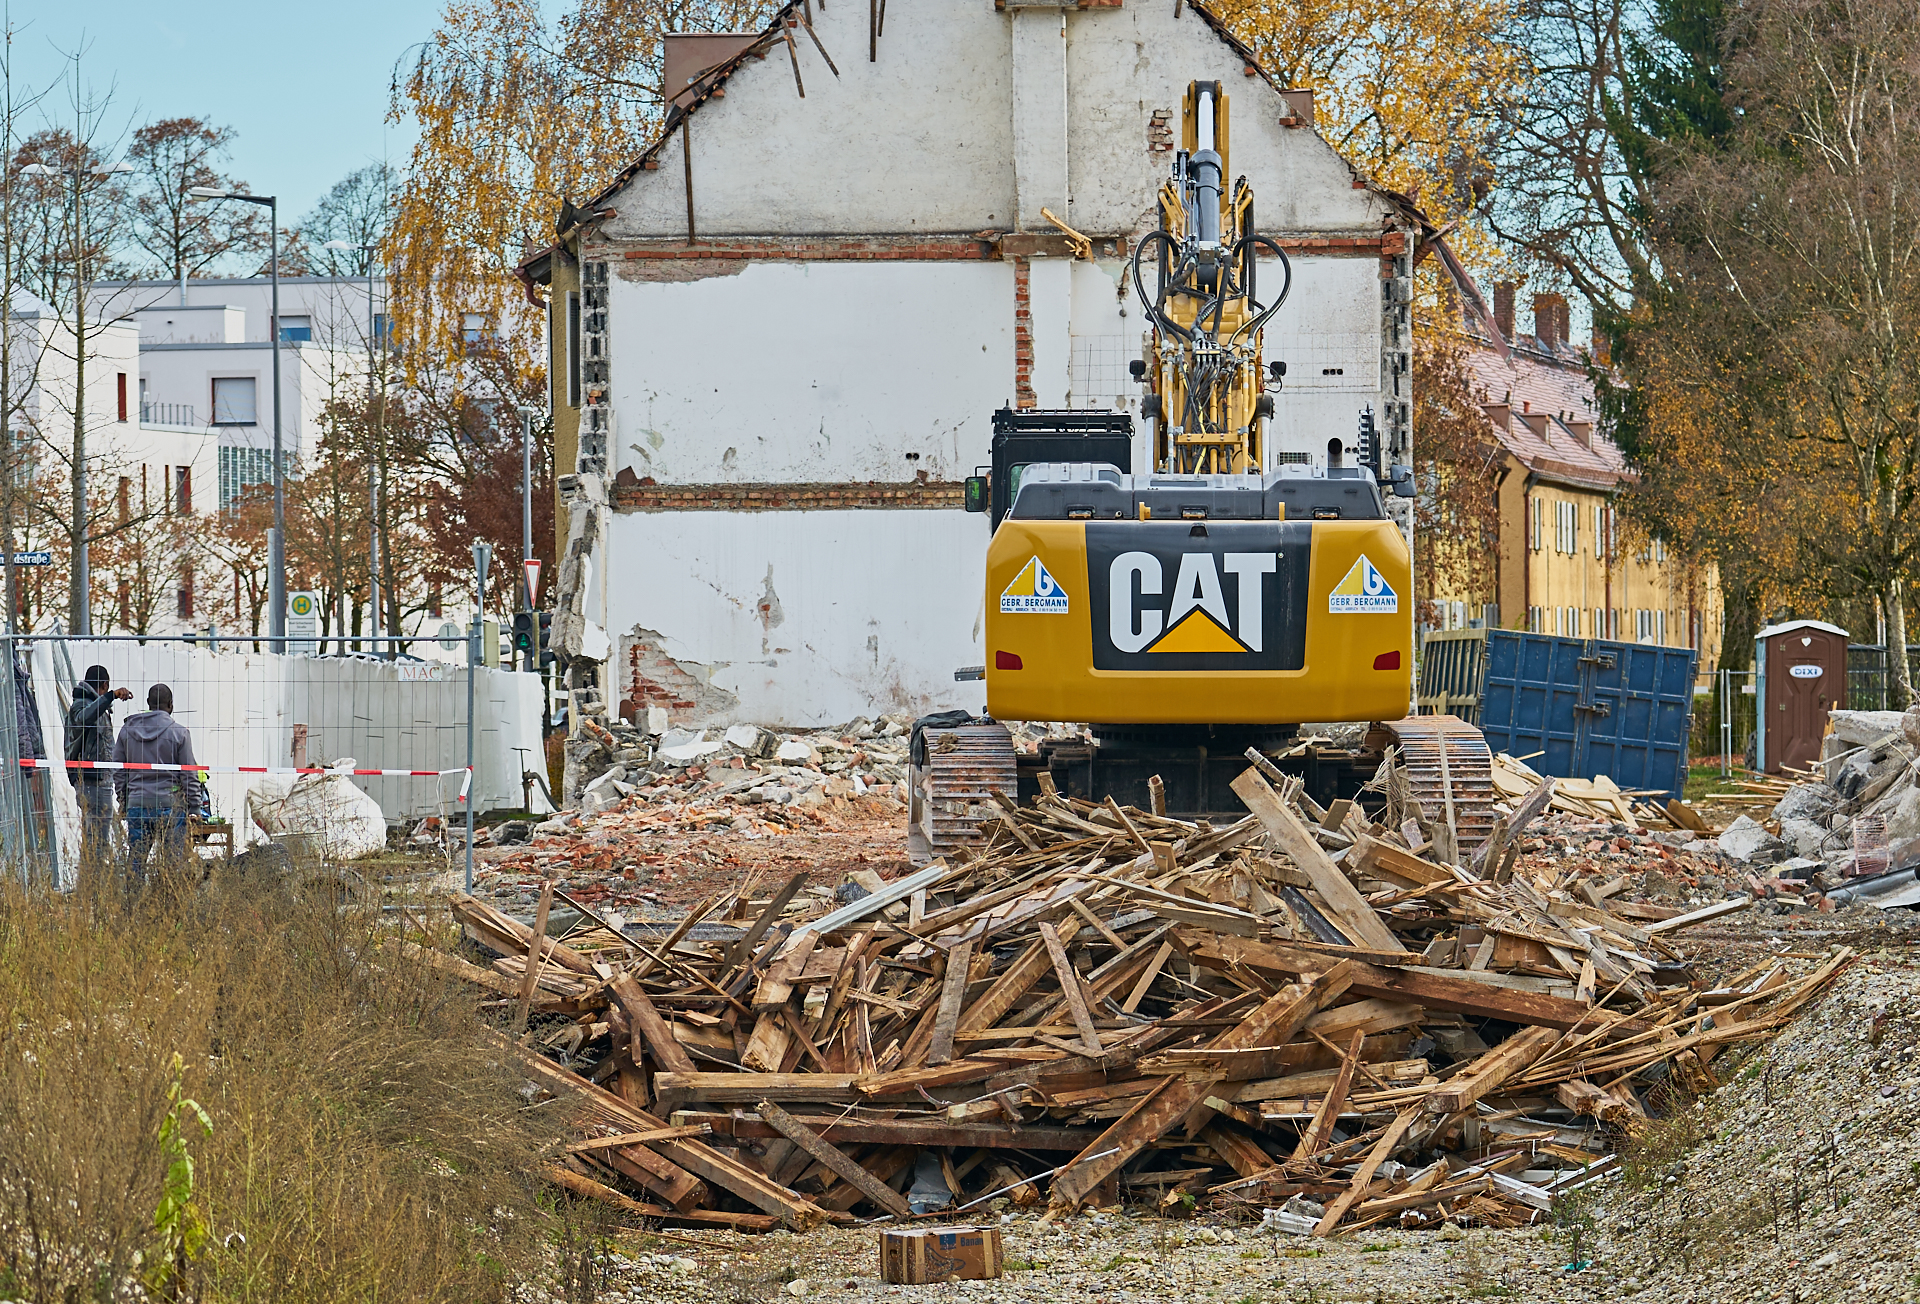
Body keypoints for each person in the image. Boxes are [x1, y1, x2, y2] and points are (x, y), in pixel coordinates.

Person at [113, 684, 206, 881]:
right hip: (169, 806)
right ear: (171, 705)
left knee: (136, 861)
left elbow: (119, 770)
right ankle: (169, 905)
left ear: (148, 704)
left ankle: (131, 906)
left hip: (137, 804)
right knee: (173, 864)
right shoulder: (180, 733)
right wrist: (195, 807)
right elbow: (189, 774)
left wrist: (124, 800)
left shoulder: (126, 731)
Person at [66, 665, 133, 869]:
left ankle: (91, 889)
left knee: (95, 840)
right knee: (98, 842)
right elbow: (83, 718)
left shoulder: (92, 703)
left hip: (98, 780)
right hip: (91, 781)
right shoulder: (81, 705)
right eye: (107, 688)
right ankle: (94, 891)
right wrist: (109, 697)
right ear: (104, 685)